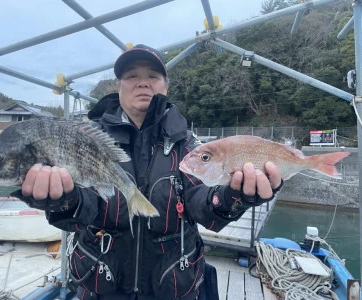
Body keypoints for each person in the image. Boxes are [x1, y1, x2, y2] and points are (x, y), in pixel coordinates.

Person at [15, 44, 283, 300]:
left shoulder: (188, 145)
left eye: (152, 76)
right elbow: (84, 209)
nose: (142, 82)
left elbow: (201, 203)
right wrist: (62, 200)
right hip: (100, 285)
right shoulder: (89, 140)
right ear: (118, 87)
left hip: (173, 285)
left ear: (166, 86)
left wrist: (234, 196)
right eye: (132, 76)